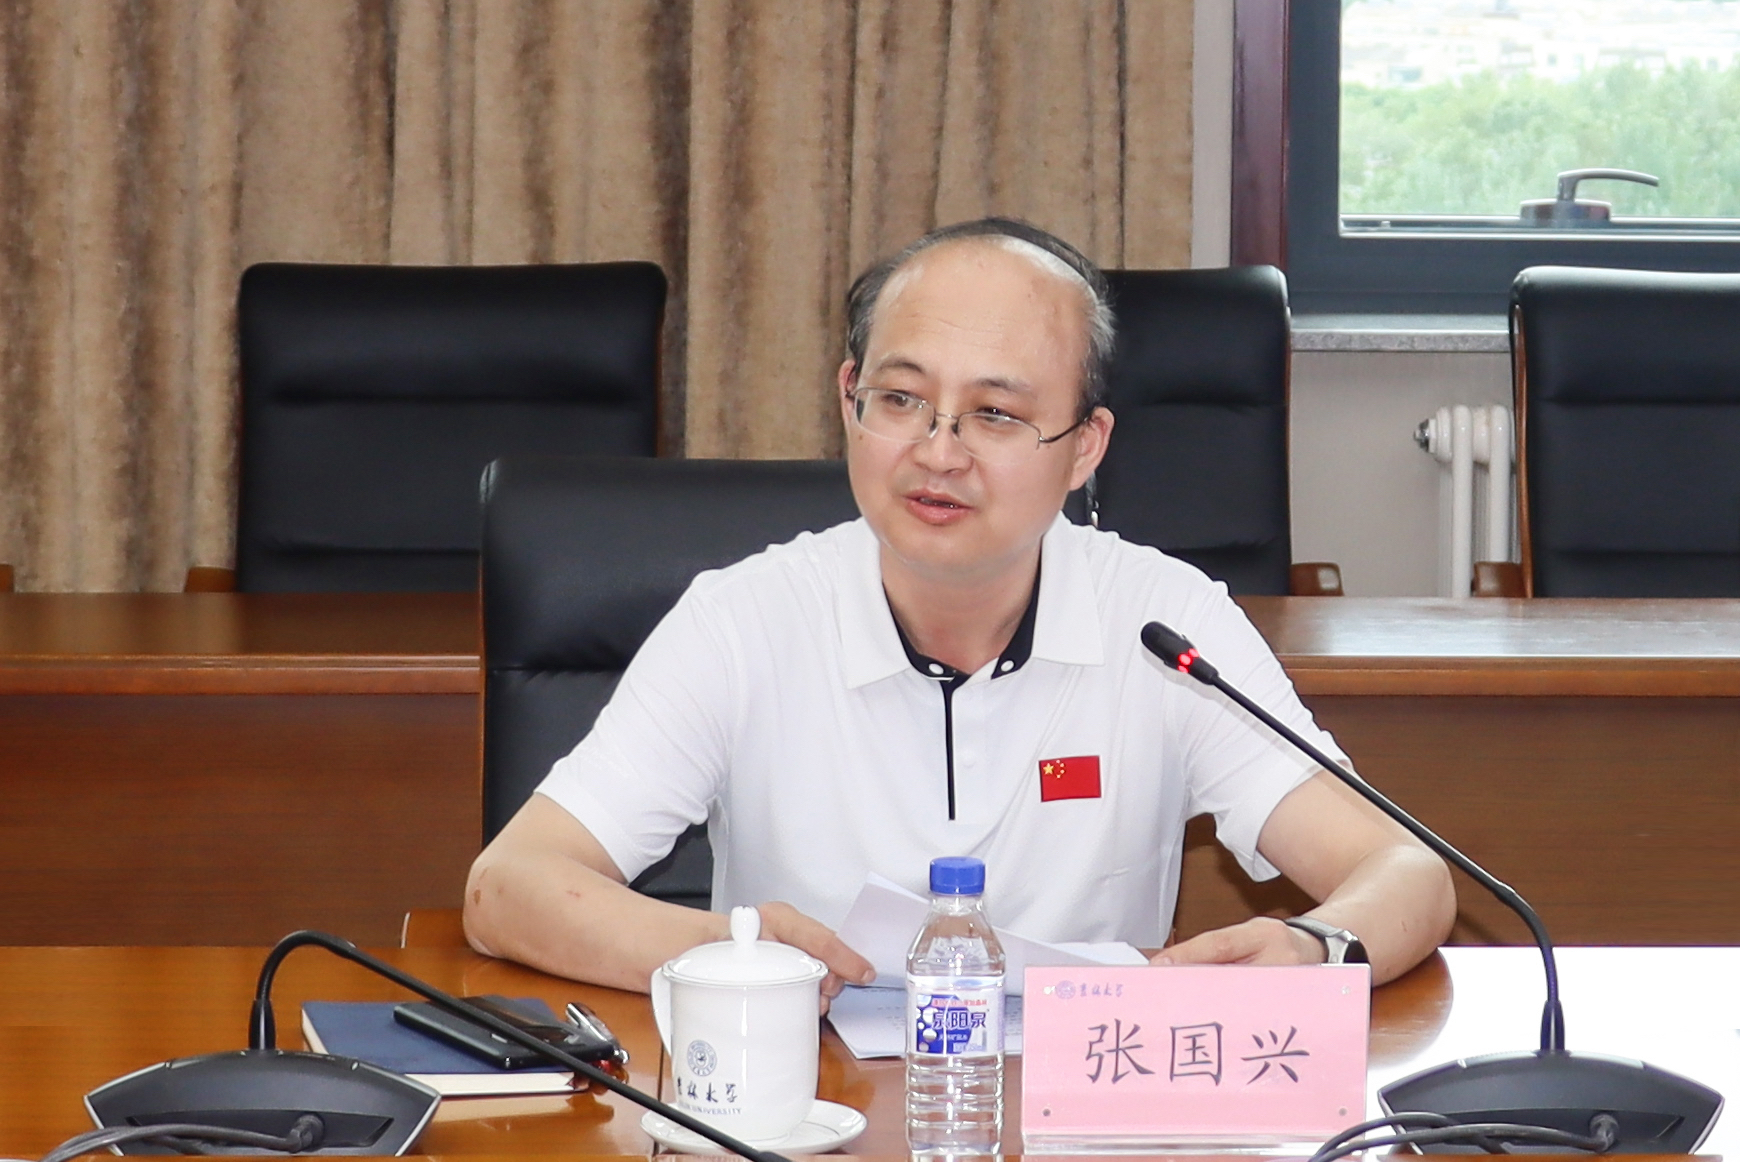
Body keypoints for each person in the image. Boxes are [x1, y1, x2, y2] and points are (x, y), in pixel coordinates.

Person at [464, 218, 1455, 1001]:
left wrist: (1315, 946)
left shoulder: (1162, 625)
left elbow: (1407, 871)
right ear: (849, 400)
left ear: (1085, 447)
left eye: (996, 414)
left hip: (1078, 1118)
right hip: (803, 1112)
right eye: (901, 400)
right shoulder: (745, 621)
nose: (939, 453)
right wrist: (737, 949)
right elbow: (507, 888)